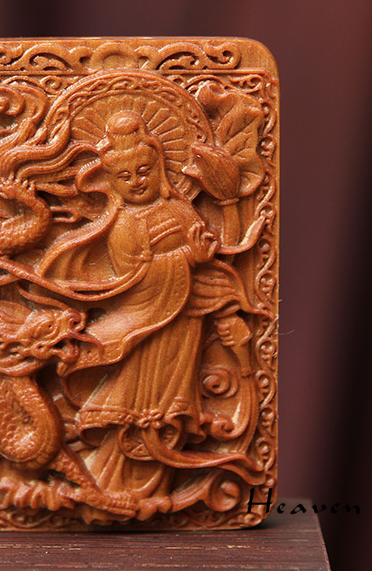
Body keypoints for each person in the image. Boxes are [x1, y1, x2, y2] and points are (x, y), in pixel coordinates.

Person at [38, 110, 257, 515]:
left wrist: (208, 249)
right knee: (135, 413)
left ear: (159, 169)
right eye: (125, 176)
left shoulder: (181, 210)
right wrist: (186, 259)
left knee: (166, 417)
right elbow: (132, 280)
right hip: (146, 325)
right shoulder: (124, 224)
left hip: (183, 325)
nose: (137, 181)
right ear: (112, 182)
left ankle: (156, 489)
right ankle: (105, 487)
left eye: (144, 171)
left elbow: (210, 253)